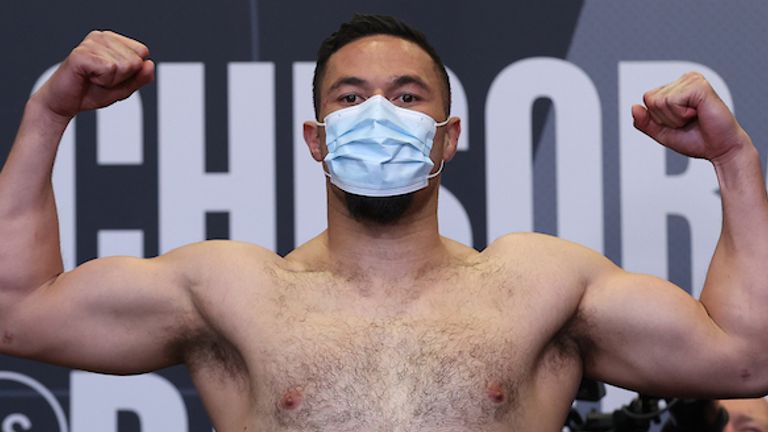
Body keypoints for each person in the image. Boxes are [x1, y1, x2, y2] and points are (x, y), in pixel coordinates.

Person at [0, 14, 766, 431]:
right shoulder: (234, 290)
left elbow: (744, 360)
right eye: (348, 98)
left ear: (447, 135)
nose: (377, 115)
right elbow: (19, 315)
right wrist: (49, 110)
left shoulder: (537, 283)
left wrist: (733, 159)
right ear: (315, 137)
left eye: (406, 98)